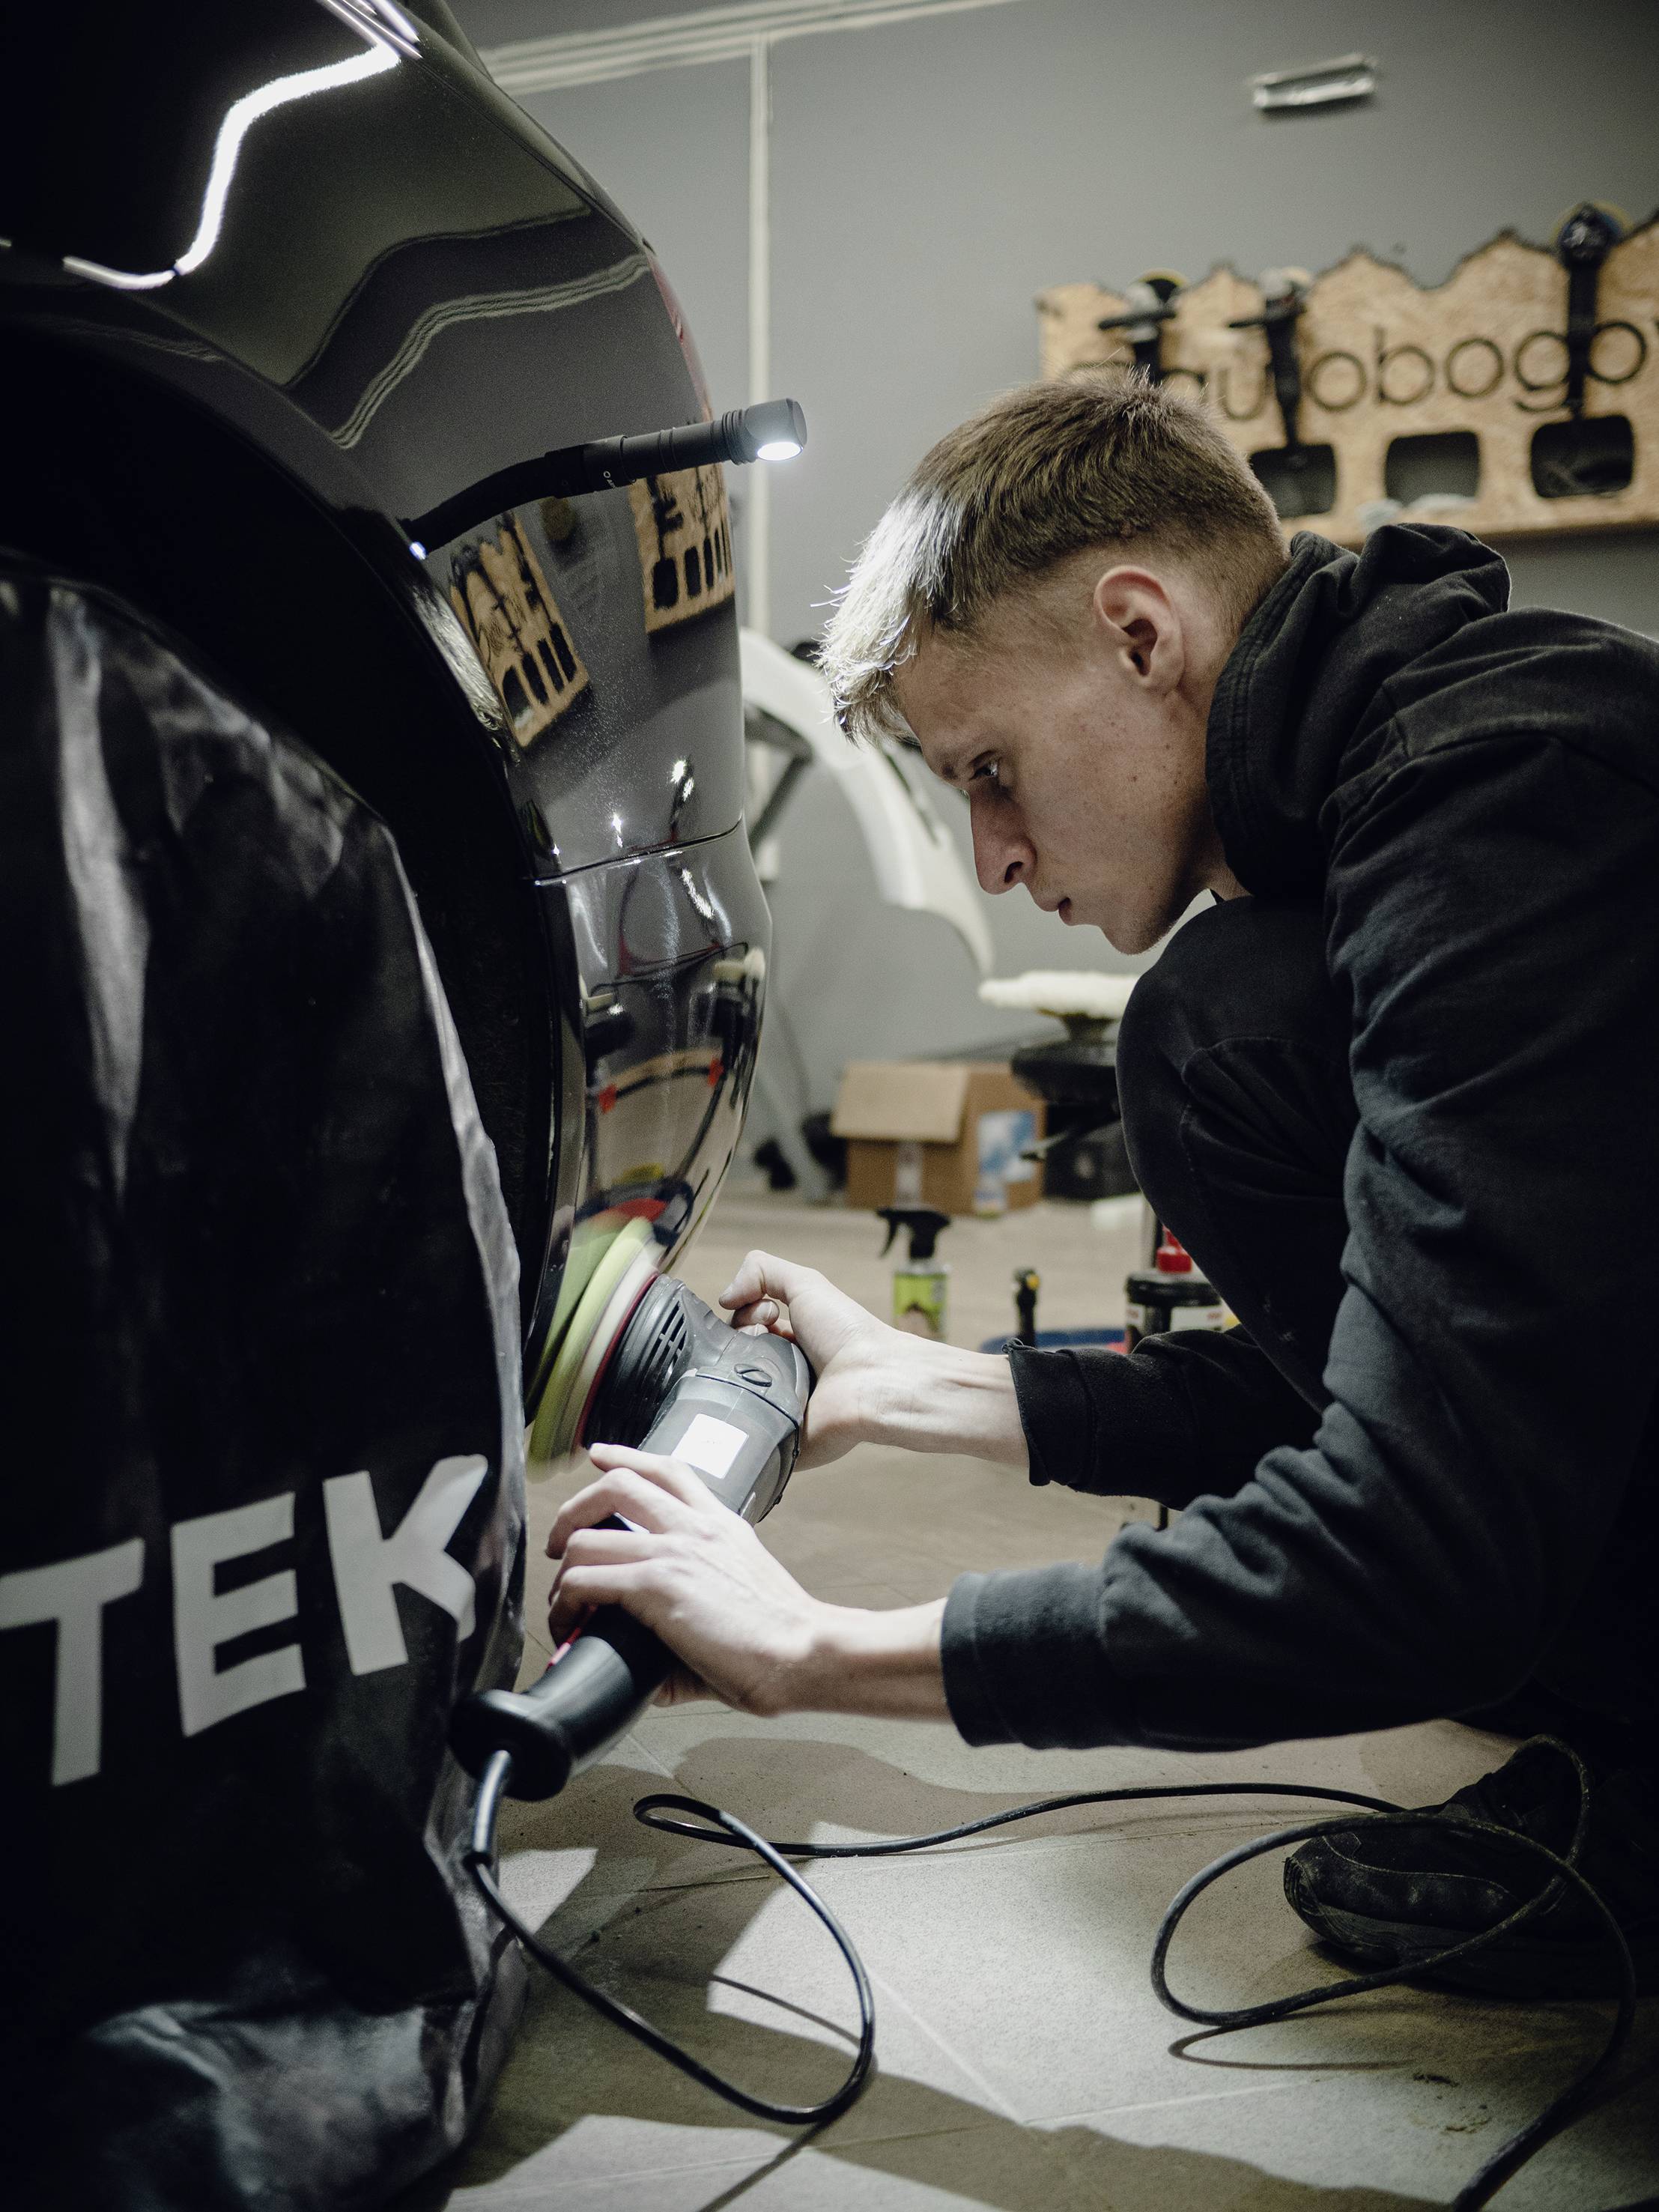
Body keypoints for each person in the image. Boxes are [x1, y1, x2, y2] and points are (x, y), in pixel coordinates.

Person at [547, 377, 1658, 1996]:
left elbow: (1429, 1537)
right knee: (1212, 1029)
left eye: (988, 768)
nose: (992, 856)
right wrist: (947, 1390)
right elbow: (1405, 1399)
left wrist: (813, 1653)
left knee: (1210, 1029)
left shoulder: (1507, 798)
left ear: (1141, 634)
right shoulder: (1377, 816)